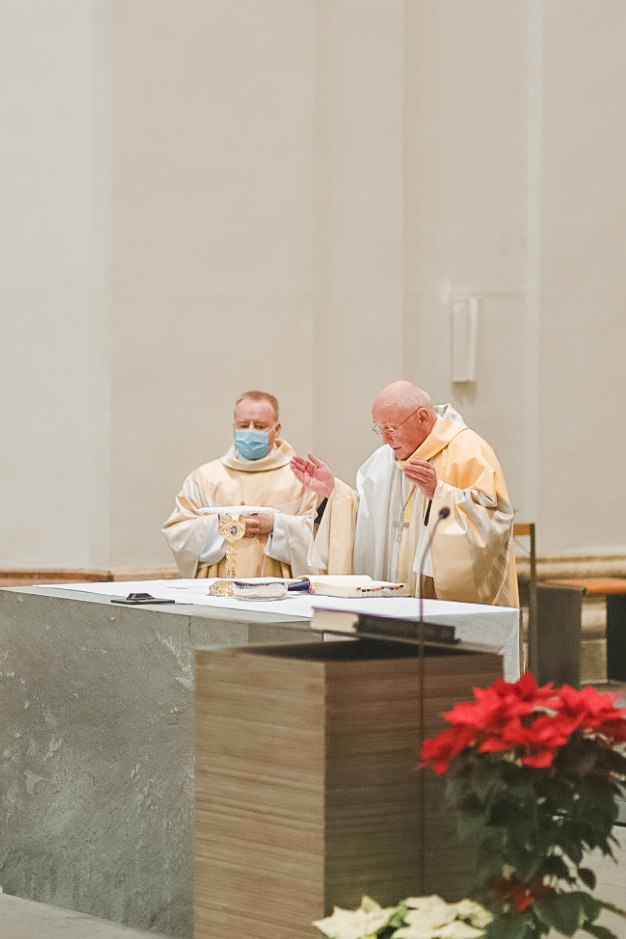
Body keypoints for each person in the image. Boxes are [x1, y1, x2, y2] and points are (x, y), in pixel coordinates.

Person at [291, 380, 519, 607]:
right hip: (393, 607)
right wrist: (334, 493)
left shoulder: (468, 450)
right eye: (379, 429)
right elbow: (366, 520)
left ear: (422, 417)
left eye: (390, 429)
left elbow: (493, 522)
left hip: (445, 612)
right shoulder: (384, 460)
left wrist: (439, 494)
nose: (384, 439)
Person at [162, 391, 320, 579]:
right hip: (219, 592)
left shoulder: (301, 479)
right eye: (244, 425)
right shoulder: (204, 478)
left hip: (280, 594)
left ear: (276, 429)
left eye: (260, 426)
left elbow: (322, 538)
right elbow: (178, 533)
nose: (250, 431)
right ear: (234, 427)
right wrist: (220, 525)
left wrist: (277, 525)